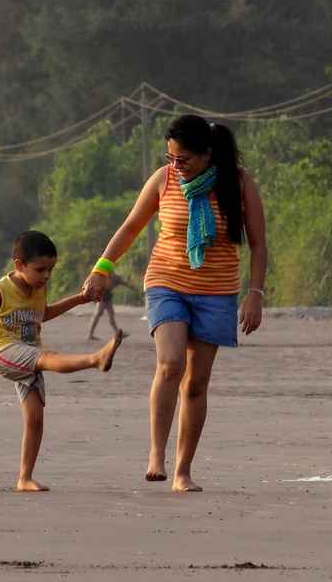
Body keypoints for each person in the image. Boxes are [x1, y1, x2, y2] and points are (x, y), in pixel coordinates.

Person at [82, 115, 268, 492]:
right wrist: (102, 268)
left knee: (196, 384)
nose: (175, 166)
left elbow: (259, 244)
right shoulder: (163, 180)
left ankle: (183, 472)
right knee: (170, 363)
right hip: (166, 281)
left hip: (217, 292)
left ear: (207, 155)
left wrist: (255, 295)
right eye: (170, 157)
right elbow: (131, 226)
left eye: (182, 160)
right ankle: (156, 455)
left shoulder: (239, 183)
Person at [0, 230, 125, 492]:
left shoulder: (39, 288)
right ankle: (95, 359)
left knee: (35, 418)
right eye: (40, 269)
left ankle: (24, 478)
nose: (46, 276)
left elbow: (43, 314)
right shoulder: (0, 290)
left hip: (29, 353)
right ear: (19, 265)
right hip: (5, 352)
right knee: (47, 358)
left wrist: (79, 299)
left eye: (50, 270)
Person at [86, 273, 131, 341]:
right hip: (102, 296)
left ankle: (117, 332)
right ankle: (90, 335)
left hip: (107, 297)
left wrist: (130, 284)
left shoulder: (115, 277)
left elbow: (124, 283)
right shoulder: (104, 276)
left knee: (110, 315)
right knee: (98, 313)